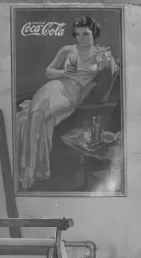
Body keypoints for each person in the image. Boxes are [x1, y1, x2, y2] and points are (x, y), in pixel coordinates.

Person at [16, 15, 118, 190]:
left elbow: (112, 73)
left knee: (42, 116)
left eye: (85, 34)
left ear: (94, 33)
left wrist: (107, 62)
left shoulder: (101, 54)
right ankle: (30, 168)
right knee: (36, 113)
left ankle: (34, 169)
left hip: (72, 95)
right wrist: (64, 72)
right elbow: (48, 71)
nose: (81, 38)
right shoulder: (67, 50)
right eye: (77, 34)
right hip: (55, 86)